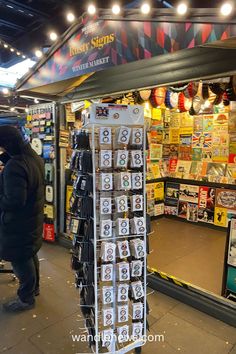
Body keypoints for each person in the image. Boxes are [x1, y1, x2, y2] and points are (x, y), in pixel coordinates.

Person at [0, 126, 44, 312]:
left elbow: (14, 201)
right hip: (32, 218)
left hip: (18, 223)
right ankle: (34, 290)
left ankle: (25, 299)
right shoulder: (34, 157)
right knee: (29, 253)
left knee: (20, 259)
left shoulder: (15, 166)